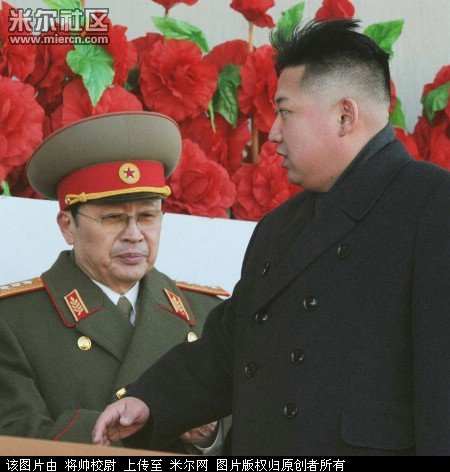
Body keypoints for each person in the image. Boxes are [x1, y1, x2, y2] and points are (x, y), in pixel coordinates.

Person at [92, 20, 450, 456]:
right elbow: (230, 348)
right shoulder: (280, 226)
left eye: (285, 112)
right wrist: (150, 402)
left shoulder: (432, 206)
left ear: (344, 116)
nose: (274, 132)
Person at [0, 111, 229, 453]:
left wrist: (210, 436)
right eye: (113, 218)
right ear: (67, 226)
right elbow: (15, 441)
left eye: (147, 216)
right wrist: (125, 430)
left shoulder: (207, 312)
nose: (134, 235)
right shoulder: (14, 320)